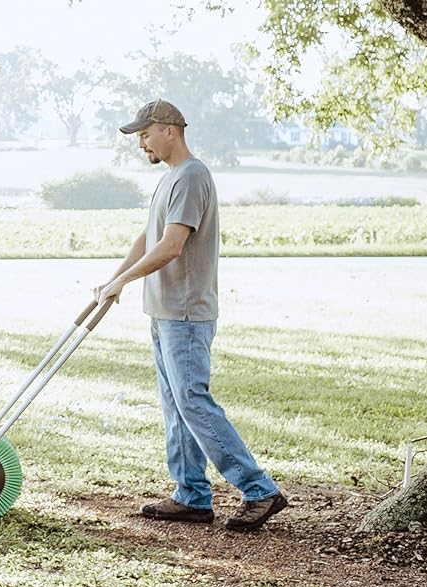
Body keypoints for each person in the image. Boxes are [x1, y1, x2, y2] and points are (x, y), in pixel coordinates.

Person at [95, 99, 287, 532]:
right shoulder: (169, 179)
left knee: (194, 404)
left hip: (185, 313)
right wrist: (113, 280)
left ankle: (260, 490)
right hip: (164, 312)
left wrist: (123, 281)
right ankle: (192, 495)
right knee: (177, 406)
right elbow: (147, 237)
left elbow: (171, 246)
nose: (141, 143)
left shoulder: (193, 176)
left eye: (144, 135)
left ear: (169, 130)